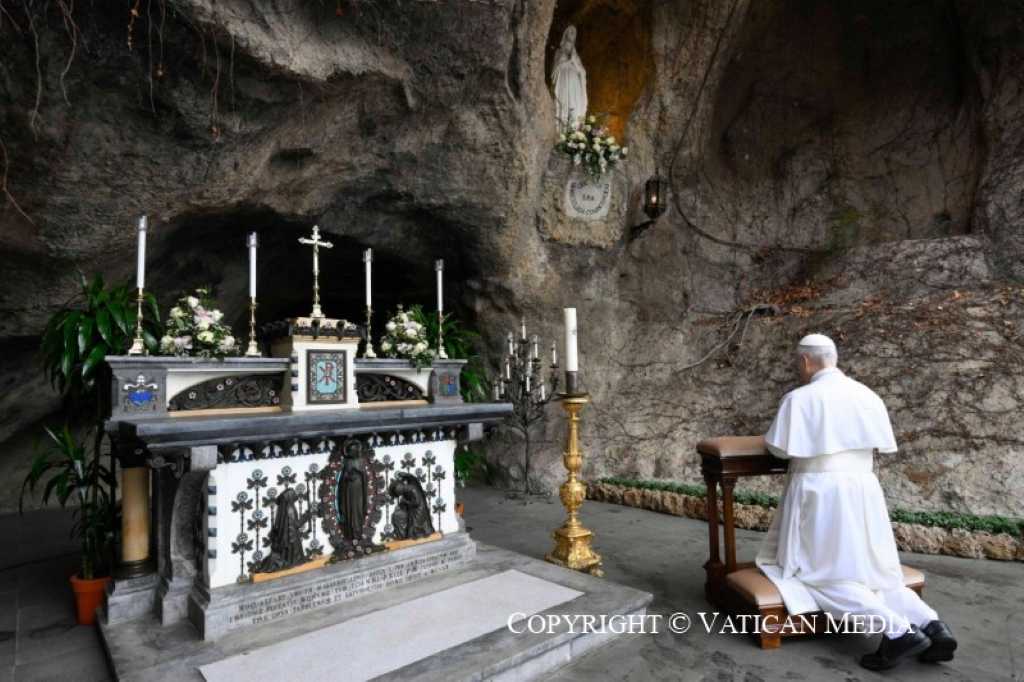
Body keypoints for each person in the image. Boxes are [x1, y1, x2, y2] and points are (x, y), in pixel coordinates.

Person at [756, 334, 957, 671]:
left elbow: (779, 448)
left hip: (821, 494)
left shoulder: (800, 398)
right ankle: (933, 626)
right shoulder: (868, 395)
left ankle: (897, 633)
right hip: (863, 491)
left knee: (819, 577)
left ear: (805, 362)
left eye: (798, 363)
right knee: (872, 576)